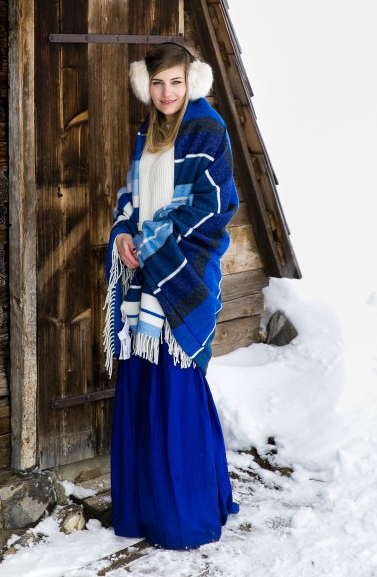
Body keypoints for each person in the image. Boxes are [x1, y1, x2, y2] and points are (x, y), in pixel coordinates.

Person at [104, 42, 240, 550]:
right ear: (147, 85)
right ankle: (145, 513)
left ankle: (186, 517)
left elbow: (216, 204)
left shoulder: (208, 129)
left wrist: (154, 239)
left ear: (192, 82)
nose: (167, 93)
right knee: (145, 386)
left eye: (176, 82)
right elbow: (130, 194)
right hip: (144, 281)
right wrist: (123, 231)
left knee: (177, 391)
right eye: (158, 83)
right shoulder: (149, 131)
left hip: (182, 276)